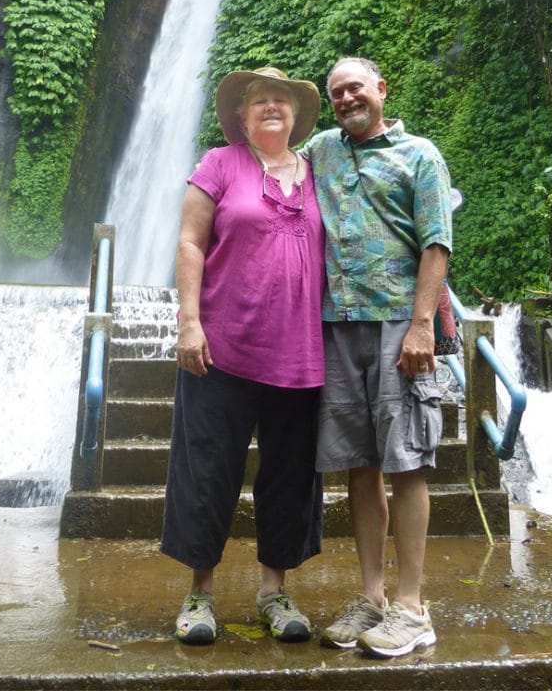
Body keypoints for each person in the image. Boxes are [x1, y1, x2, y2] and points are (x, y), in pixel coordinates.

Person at [161, 66, 326, 646]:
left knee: (289, 478)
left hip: (301, 357)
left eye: (281, 100)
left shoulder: (318, 174)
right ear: (241, 115)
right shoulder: (219, 164)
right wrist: (189, 322)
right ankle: (199, 594)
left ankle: (273, 593)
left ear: (297, 115)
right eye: (260, 101)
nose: (272, 108)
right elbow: (189, 242)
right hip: (222, 350)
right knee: (208, 470)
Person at [304, 56, 453, 658]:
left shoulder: (421, 155)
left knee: (406, 460)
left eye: (355, 88)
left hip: (398, 325)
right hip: (336, 326)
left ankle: (413, 608)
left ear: (382, 91)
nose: (346, 99)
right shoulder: (320, 150)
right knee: (358, 465)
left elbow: (436, 242)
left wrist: (423, 327)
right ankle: (372, 599)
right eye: (337, 92)